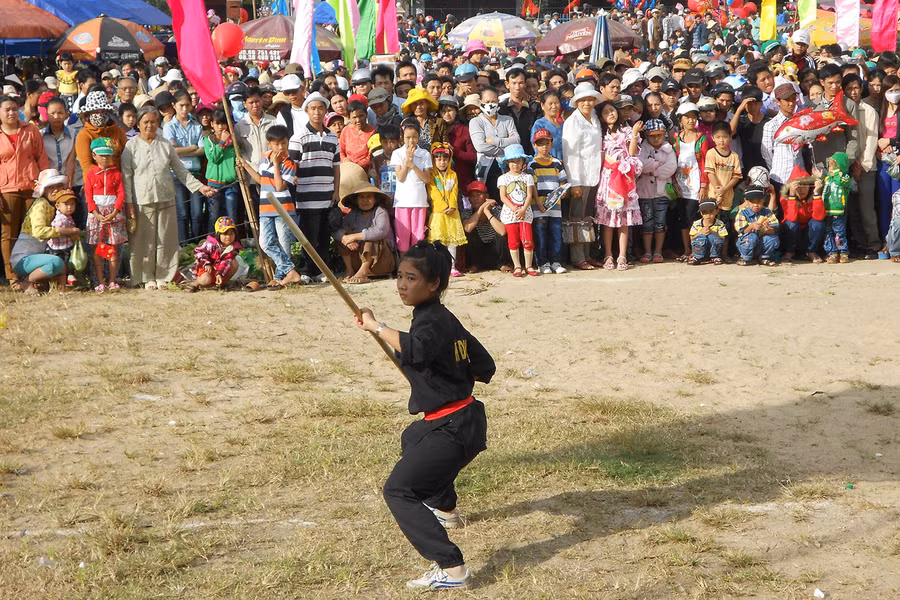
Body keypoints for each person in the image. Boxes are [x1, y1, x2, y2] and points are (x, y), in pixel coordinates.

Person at [354, 240, 495, 591]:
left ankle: (452, 567)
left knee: (398, 490)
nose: (402, 285)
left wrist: (375, 325)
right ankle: (444, 509)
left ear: (434, 284)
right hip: (465, 421)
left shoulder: (432, 322)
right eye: (399, 276)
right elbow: (484, 365)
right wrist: (446, 373)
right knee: (412, 439)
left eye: (411, 278)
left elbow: (417, 348)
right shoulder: (443, 319)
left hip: (453, 427)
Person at [122, 106, 215, 290]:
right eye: (145, 122)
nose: (149, 126)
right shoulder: (130, 147)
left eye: (153, 122)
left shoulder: (165, 144)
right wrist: (129, 203)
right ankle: (146, 276)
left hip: (166, 197)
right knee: (143, 240)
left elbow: (180, 170)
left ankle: (164, 276)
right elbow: (126, 176)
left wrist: (200, 187)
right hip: (142, 199)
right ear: (139, 124)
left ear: (158, 124)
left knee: (165, 238)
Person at [238, 125, 303, 287]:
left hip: (283, 209)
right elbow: (261, 180)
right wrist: (246, 166)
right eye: (277, 144)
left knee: (283, 244)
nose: (281, 147)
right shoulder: (264, 158)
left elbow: (280, 186)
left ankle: (280, 278)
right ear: (269, 144)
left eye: (284, 143)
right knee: (265, 243)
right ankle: (290, 272)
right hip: (265, 208)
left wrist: (275, 164)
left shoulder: (289, 162)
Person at [290, 91, 341, 283]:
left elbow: (336, 167)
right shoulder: (299, 137)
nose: (317, 112)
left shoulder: (332, 138)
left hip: (327, 195)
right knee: (308, 237)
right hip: (306, 195)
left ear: (325, 111)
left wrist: (336, 191)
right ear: (307, 111)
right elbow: (291, 166)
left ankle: (322, 271)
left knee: (323, 235)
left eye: (321, 108)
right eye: (313, 108)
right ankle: (306, 270)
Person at [0, 94, 49, 286]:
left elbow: (42, 159)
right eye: (7, 109)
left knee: (32, 231)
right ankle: (12, 275)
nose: (11, 112)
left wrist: (44, 186)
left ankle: (32, 274)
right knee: (8, 233)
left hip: (32, 187)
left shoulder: (31, 130)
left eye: (14, 109)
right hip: (6, 189)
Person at [595, 101, 643, 271]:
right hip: (607, 179)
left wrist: (635, 133)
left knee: (623, 219)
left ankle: (622, 254)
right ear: (601, 117)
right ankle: (608, 254)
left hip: (624, 177)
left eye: (612, 110)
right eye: (606, 112)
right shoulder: (600, 134)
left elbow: (631, 153)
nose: (611, 113)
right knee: (607, 220)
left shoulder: (627, 131)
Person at [562, 83, 604, 270]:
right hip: (579, 176)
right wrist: (574, 183)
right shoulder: (573, 122)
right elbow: (570, 154)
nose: (587, 103)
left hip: (595, 175)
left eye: (590, 99)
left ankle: (588, 254)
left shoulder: (594, 117)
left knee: (588, 217)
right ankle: (577, 257)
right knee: (577, 217)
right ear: (577, 102)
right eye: (583, 100)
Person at [10, 183, 80, 295]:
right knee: (56, 261)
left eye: (58, 186)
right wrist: (60, 231)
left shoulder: (54, 207)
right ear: (44, 190)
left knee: (60, 263)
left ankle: (59, 289)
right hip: (23, 259)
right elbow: (39, 231)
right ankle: (26, 282)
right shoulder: (41, 204)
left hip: (37, 258)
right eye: (51, 187)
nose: (55, 190)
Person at [334, 161, 396, 284]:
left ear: (375, 199)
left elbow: (381, 231)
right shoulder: (354, 214)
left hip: (382, 261)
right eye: (362, 197)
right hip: (358, 258)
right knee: (342, 238)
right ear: (356, 200)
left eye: (369, 197)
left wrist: (355, 236)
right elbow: (337, 230)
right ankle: (350, 270)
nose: (365, 200)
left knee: (372, 238)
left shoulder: (380, 212)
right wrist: (345, 239)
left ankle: (363, 271)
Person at [163, 90, 206, 242]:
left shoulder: (196, 125)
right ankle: (182, 245)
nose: (184, 109)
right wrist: (192, 147)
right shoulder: (170, 126)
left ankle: (196, 243)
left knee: (197, 213)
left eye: (187, 105)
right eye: (181, 105)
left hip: (195, 172)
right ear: (174, 105)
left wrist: (184, 150)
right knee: (182, 213)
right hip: (176, 173)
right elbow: (171, 152)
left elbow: (202, 150)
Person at [85, 137, 126, 292]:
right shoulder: (91, 174)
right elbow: (88, 196)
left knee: (113, 248)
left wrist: (115, 211)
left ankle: (112, 280)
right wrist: (95, 213)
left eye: (108, 155)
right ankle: (100, 280)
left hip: (113, 215)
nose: (105, 158)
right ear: (94, 156)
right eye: (101, 155)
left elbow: (121, 194)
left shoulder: (116, 174)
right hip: (97, 215)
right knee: (98, 248)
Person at [673, 102, 712, 262]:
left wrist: (703, 185)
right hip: (679, 183)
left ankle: (696, 248)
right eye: (687, 117)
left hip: (695, 184)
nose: (690, 120)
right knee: (682, 218)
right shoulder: (676, 138)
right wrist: (673, 182)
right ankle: (686, 248)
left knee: (692, 217)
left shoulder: (701, 139)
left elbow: (704, 163)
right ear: (680, 119)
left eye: (693, 117)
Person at [636, 118, 678, 263]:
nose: (656, 138)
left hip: (662, 193)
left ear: (664, 134)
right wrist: (658, 163)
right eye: (652, 135)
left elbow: (671, 167)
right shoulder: (642, 147)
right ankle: (647, 251)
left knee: (660, 223)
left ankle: (658, 251)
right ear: (646, 136)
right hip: (645, 193)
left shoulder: (668, 148)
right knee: (647, 223)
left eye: (659, 135)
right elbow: (640, 164)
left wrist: (652, 170)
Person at [469, 86, 519, 202]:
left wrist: (495, 141)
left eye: (493, 101)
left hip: (506, 167)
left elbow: (516, 140)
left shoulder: (507, 120)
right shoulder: (476, 122)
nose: (490, 104)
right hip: (486, 168)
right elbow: (480, 146)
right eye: (487, 102)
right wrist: (505, 149)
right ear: (481, 103)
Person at [528, 128, 568, 274]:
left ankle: (556, 262)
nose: (544, 147)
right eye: (540, 144)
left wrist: (563, 191)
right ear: (535, 146)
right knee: (540, 235)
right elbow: (531, 187)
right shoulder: (531, 165)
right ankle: (543, 263)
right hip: (538, 207)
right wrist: (538, 203)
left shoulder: (557, 163)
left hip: (555, 208)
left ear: (551, 144)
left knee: (556, 235)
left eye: (547, 143)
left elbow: (563, 182)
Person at [392, 119, 433, 253]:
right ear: (402, 138)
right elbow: (400, 176)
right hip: (402, 201)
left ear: (419, 137)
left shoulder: (425, 154)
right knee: (402, 236)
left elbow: (427, 179)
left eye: (414, 137)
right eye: (407, 137)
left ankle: (417, 265)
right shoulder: (397, 153)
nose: (411, 141)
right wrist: (407, 161)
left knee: (418, 235)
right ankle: (403, 266)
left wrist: (413, 165)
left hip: (419, 201)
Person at [426, 142, 467, 276]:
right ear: (433, 160)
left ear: (449, 160)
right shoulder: (432, 175)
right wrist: (444, 207)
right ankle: (438, 267)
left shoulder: (453, 175)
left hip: (452, 213)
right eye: (438, 159)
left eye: (445, 159)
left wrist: (452, 206)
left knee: (452, 241)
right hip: (438, 213)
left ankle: (452, 266)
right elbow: (433, 192)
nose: (442, 162)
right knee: (438, 241)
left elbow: (454, 192)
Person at [498, 143, 537, 277]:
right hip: (510, 214)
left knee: (528, 240)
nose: (515, 164)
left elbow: (529, 195)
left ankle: (529, 265)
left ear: (523, 162)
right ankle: (517, 266)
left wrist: (523, 209)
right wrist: (515, 209)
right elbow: (503, 196)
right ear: (507, 163)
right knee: (513, 241)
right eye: (512, 161)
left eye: (518, 161)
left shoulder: (527, 177)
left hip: (525, 213)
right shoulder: (503, 178)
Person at [761, 83, 805, 198]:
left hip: (800, 174)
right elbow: (766, 151)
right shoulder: (771, 125)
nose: (791, 103)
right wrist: (775, 167)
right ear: (778, 102)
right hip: (780, 176)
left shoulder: (801, 121)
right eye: (787, 100)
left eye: (793, 99)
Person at [705, 120, 742, 244]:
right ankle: (712, 252)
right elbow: (710, 173)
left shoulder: (734, 156)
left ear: (730, 137)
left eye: (725, 137)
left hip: (727, 197)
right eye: (718, 137)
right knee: (711, 223)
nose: (722, 140)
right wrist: (718, 191)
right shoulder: (711, 153)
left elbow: (736, 177)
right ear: (713, 137)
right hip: (713, 196)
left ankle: (724, 253)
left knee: (725, 226)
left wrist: (724, 190)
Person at [184, 216, 243, 291]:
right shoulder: (211, 244)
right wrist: (206, 263)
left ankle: (221, 283)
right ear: (218, 234)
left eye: (231, 234)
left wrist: (219, 274)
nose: (228, 237)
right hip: (205, 267)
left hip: (219, 268)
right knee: (205, 280)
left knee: (234, 263)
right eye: (225, 234)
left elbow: (226, 261)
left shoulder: (233, 248)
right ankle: (196, 283)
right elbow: (198, 251)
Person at [779, 166, 825, 263]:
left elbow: (819, 217)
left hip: (808, 234)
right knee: (791, 224)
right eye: (798, 186)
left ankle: (811, 251)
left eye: (805, 185)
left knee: (818, 223)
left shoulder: (814, 197)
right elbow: (791, 218)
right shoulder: (785, 198)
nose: (802, 189)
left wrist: (816, 193)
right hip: (792, 234)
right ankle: (789, 251)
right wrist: (792, 196)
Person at [203, 110, 240, 228]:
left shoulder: (233, 140)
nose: (220, 127)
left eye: (223, 123)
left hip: (230, 184)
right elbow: (213, 158)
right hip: (214, 185)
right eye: (217, 123)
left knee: (232, 216)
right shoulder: (208, 141)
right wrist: (222, 142)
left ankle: (234, 243)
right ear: (212, 124)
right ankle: (212, 242)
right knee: (214, 217)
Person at [462, 181, 507, 272]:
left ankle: (502, 264)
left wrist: (487, 212)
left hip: (496, 250)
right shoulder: (467, 212)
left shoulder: (497, 209)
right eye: (472, 196)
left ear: (486, 197)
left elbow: (502, 231)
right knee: (470, 235)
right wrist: (481, 209)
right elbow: (468, 228)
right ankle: (475, 265)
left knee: (500, 236)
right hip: (480, 252)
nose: (475, 198)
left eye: (479, 195)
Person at [735, 185, 780, 266]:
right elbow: (741, 230)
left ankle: (764, 257)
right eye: (752, 202)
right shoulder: (743, 212)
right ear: (746, 201)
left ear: (763, 200)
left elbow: (775, 227)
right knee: (751, 237)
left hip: (761, 244)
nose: (756, 205)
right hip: (747, 243)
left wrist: (768, 229)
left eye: (759, 201)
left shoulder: (767, 212)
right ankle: (745, 257)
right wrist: (751, 226)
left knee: (772, 238)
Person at [823, 152, 852, 263]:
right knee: (828, 232)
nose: (830, 169)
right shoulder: (828, 179)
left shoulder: (844, 178)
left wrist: (836, 172)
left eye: (833, 166)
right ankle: (832, 252)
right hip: (828, 210)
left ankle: (843, 252)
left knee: (839, 232)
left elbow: (842, 182)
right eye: (830, 166)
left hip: (839, 211)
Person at [47, 187, 78, 284]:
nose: (69, 207)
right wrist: (73, 230)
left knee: (68, 263)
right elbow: (58, 229)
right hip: (57, 247)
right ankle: (60, 282)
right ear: (58, 206)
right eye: (66, 204)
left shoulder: (68, 217)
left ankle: (68, 279)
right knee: (60, 265)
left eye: (72, 204)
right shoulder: (60, 218)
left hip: (66, 245)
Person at [340, 96, 376, 172]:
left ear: (366, 114)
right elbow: (341, 151)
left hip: (366, 171)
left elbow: (371, 155)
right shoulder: (346, 130)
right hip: (347, 170)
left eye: (361, 116)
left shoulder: (373, 132)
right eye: (354, 117)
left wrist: (356, 166)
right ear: (349, 118)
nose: (358, 120)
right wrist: (345, 160)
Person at [689, 200, 728, 264]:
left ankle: (715, 256)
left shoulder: (720, 223)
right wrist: (700, 233)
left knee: (713, 237)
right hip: (700, 248)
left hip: (714, 248)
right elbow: (692, 237)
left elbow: (723, 238)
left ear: (716, 211)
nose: (708, 215)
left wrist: (713, 232)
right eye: (705, 213)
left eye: (711, 212)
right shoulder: (696, 223)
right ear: (701, 213)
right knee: (700, 238)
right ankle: (698, 256)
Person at [531, 90, 564, 161]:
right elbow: (536, 147)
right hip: (546, 165)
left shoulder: (563, 124)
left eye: (556, 103)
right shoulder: (539, 124)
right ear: (542, 105)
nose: (554, 106)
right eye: (550, 103)